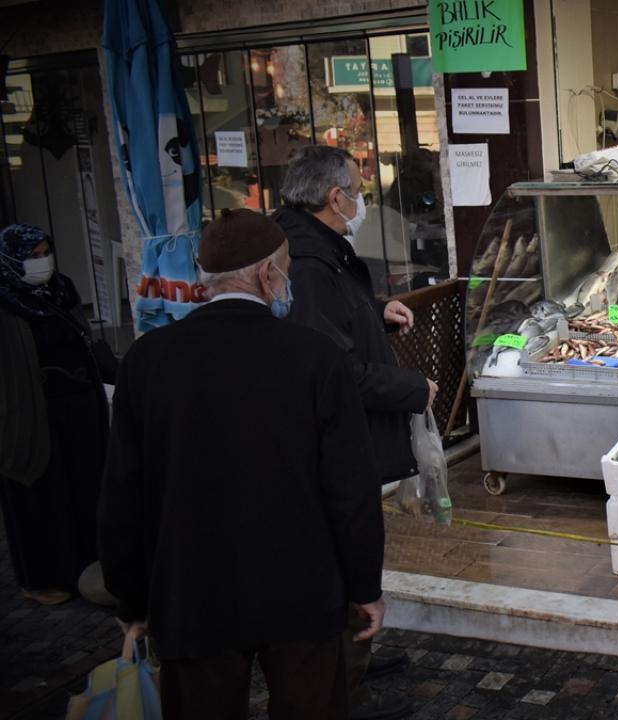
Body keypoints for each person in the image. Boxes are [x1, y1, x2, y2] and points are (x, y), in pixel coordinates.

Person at [99, 210, 386, 719]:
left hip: (193, 592)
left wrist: (132, 597)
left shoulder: (147, 360)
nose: (288, 279)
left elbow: (123, 491)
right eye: (287, 268)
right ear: (267, 273)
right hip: (301, 590)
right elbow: (351, 489)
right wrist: (364, 586)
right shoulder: (315, 357)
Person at [275, 145, 434, 720]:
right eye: (358, 191)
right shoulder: (306, 262)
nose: (364, 201)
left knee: (351, 548)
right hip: (335, 440)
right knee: (341, 551)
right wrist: (410, 388)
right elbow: (332, 367)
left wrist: (376, 310)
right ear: (334, 196)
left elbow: (338, 320)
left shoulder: (320, 248)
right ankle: (340, 686)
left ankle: (355, 652)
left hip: (345, 435)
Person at [0, 225, 113, 607]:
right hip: (33, 414)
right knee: (44, 492)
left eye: (45, 252)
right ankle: (44, 576)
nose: (42, 262)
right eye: (32, 256)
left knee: (85, 486)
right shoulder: (7, 301)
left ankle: (88, 565)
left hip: (79, 408)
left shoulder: (60, 290)